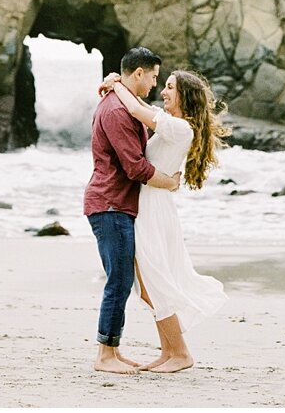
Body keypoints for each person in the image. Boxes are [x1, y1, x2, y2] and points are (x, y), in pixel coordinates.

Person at [99, 67, 231, 373]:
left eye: (170, 87)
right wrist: (115, 83)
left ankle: (180, 352)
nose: (163, 91)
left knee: (154, 283)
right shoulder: (173, 124)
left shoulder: (180, 128)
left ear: (184, 95)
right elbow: (142, 107)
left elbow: (134, 108)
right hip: (150, 204)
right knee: (149, 286)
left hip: (152, 209)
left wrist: (116, 82)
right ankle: (170, 351)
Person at [83, 47, 181, 375]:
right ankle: (105, 354)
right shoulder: (115, 112)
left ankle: (111, 349)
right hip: (110, 203)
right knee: (120, 279)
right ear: (138, 74)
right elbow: (135, 167)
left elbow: (146, 113)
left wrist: (113, 81)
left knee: (122, 279)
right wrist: (168, 182)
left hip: (118, 204)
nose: (155, 83)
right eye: (153, 76)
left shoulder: (125, 105)